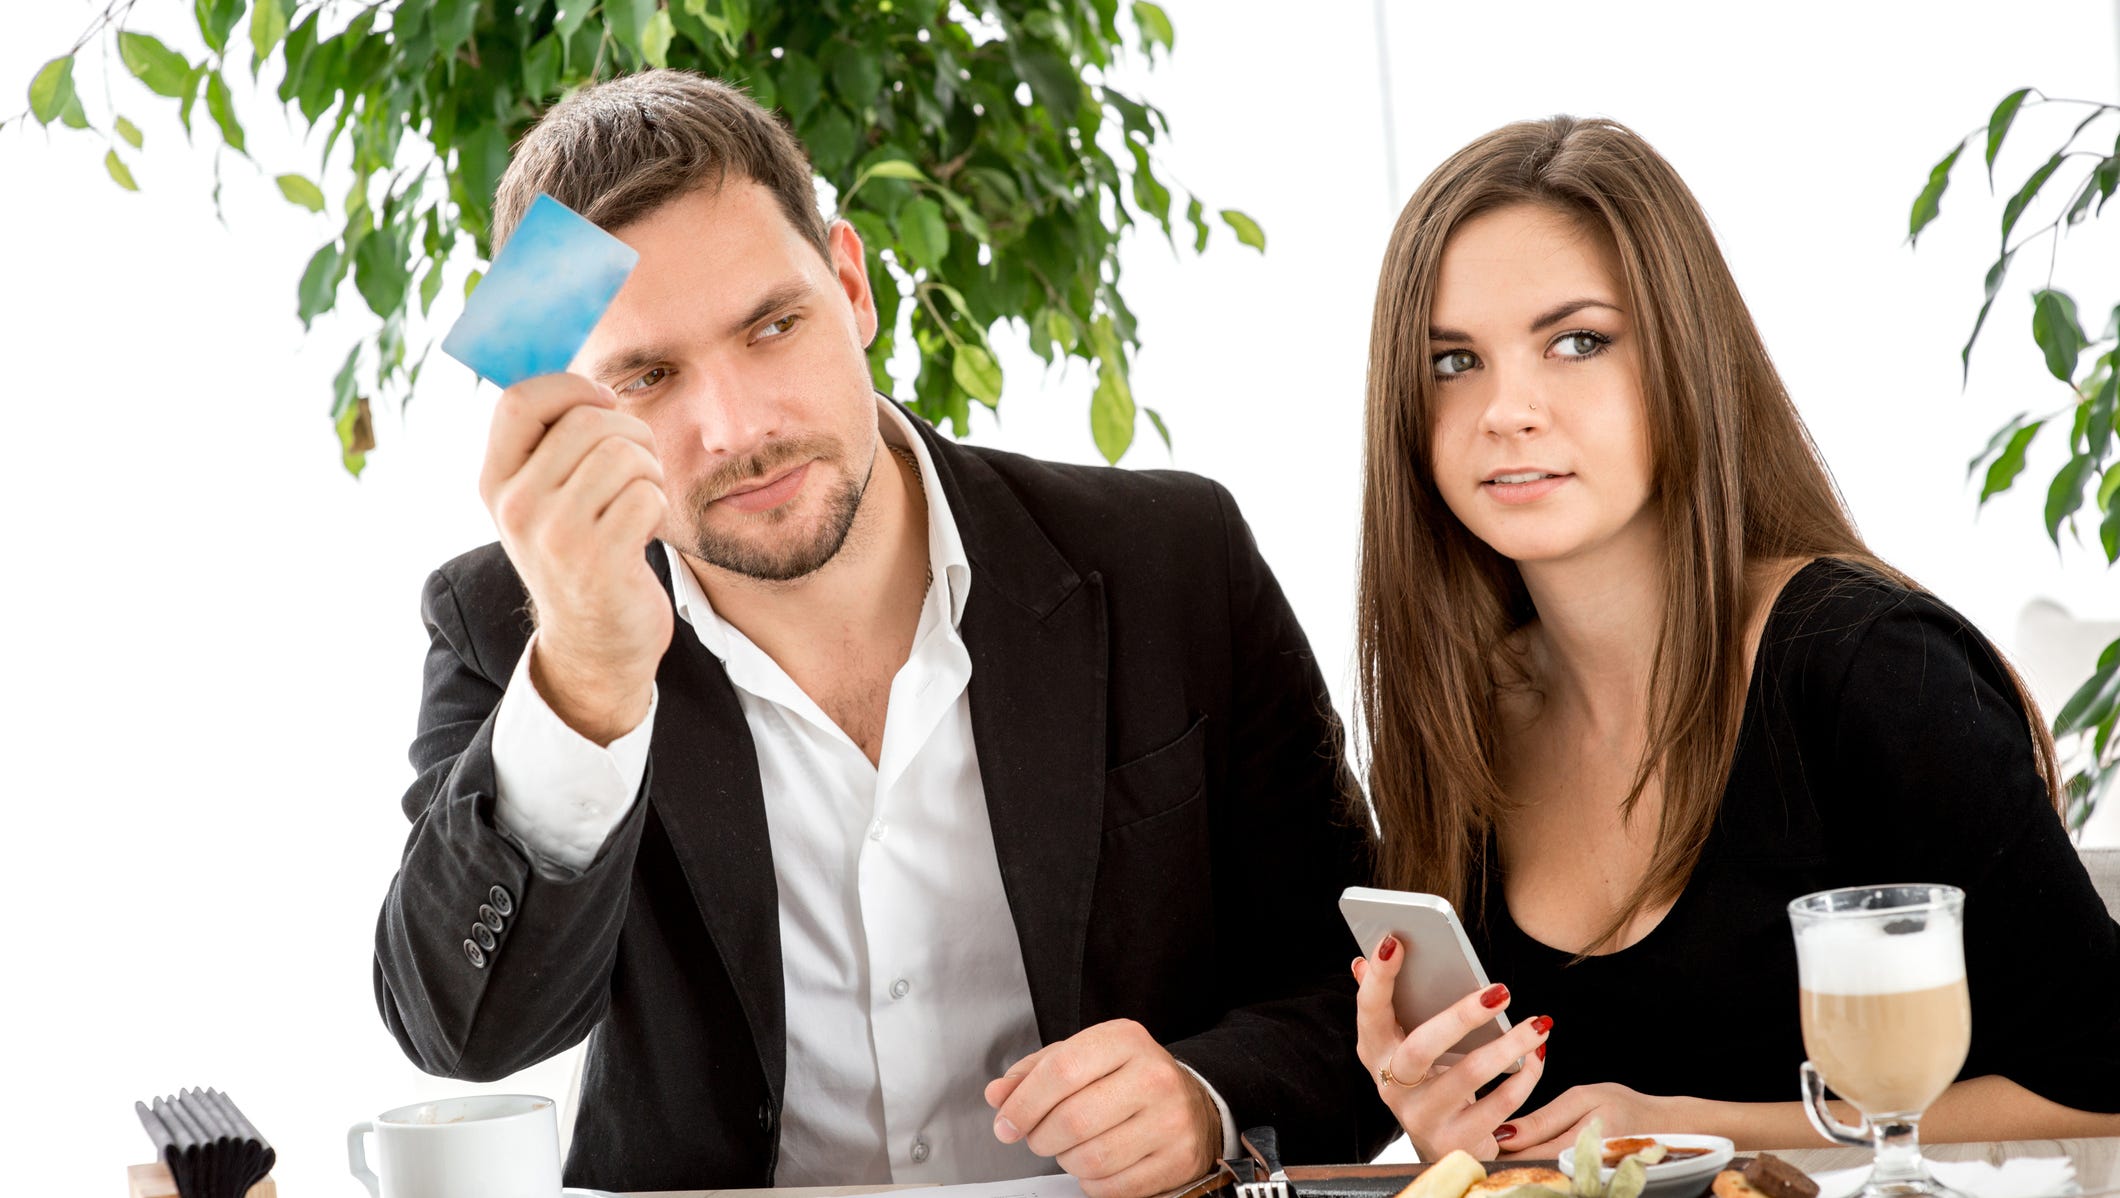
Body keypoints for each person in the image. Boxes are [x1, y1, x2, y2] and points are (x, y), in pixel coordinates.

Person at [372, 69, 1395, 1195]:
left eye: (772, 326)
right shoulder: (513, 622)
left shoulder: (1171, 560)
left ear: (851, 285)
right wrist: (587, 673)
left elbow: (1358, 995)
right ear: (568, 411)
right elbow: (465, 1034)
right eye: (648, 377)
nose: (735, 429)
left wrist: (1207, 1101)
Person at [1346, 115, 2120, 1159]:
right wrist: (1454, 1118)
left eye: (1577, 342)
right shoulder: (1458, 714)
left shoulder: (1869, 668)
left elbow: (2102, 1079)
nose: (1505, 410)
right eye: (1451, 361)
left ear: (1685, 357)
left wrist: (1686, 1129)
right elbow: (1542, 1148)